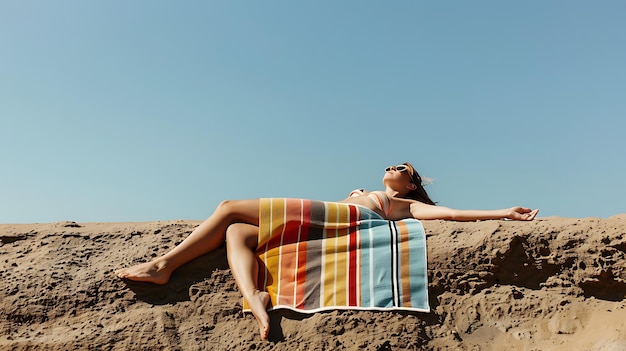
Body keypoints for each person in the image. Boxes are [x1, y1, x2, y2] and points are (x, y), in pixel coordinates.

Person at [115, 162, 538, 340]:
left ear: (410, 185)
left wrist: (504, 212)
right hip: (330, 221)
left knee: (228, 207)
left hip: (346, 219)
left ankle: (162, 264)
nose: (395, 167)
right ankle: (257, 299)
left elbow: (452, 214)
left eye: (404, 169)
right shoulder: (373, 191)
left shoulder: (406, 203)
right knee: (237, 232)